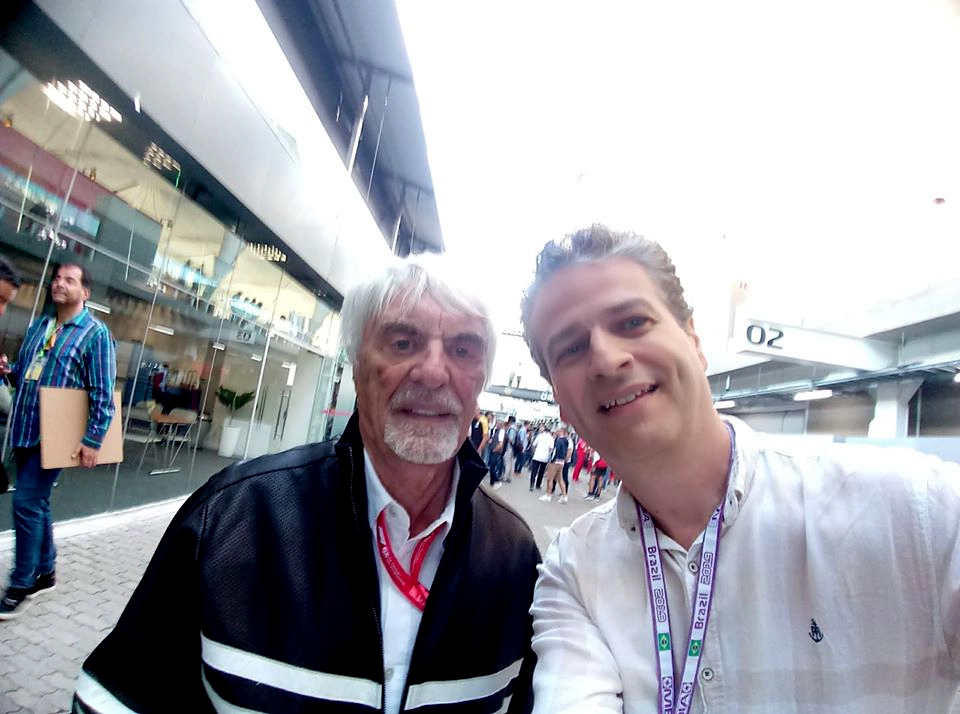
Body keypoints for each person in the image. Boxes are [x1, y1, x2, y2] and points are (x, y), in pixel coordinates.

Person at [520, 224, 960, 713]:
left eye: (631, 323)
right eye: (571, 349)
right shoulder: (574, 571)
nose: (606, 357)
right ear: (558, 400)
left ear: (693, 338)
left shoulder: (919, 512)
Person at [73, 257, 541, 713]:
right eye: (402, 343)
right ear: (357, 364)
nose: (434, 372)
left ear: (481, 377)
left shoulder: (515, 555)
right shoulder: (234, 517)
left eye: (463, 350)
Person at [0, 263, 117, 620]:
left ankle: (22, 582)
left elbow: (103, 394)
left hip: (56, 434)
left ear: (86, 292)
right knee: (38, 503)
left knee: (26, 502)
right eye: (57, 278)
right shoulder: (40, 326)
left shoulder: (95, 334)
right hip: (24, 427)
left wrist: (93, 440)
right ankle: (47, 570)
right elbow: (27, 371)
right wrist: (9, 371)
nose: (59, 284)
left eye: (70, 280)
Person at [540, 427, 569, 504]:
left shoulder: (558, 440)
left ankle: (548, 495)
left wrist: (551, 460)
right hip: (561, 461)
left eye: (558, 431)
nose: (557, 432)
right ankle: (564, 496)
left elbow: (555, 451)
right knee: (560, 479)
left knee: (550, 479)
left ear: (562, 432)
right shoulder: (566, 441)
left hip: (555, 461)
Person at [528, 424, 553, 492]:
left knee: (534, 471)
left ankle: (531, 485)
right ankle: (538, 485)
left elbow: (533, 445)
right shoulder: (551, 438)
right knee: (541, 472)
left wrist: (534, 452)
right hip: (545, 458)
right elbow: (551, 448)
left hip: (537, 456)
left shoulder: (539, 436)